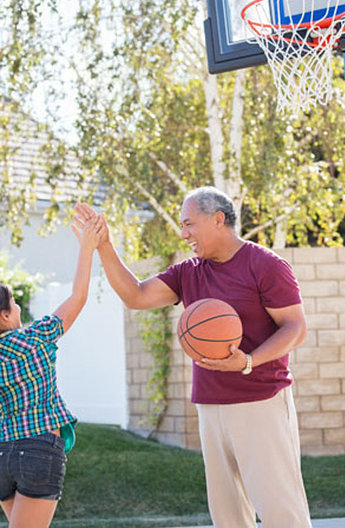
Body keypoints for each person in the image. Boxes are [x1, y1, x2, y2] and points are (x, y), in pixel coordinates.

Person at [75, 187, 311, 528]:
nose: (183, 233)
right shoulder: (188, 272)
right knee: (227, 515)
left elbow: (295, 328)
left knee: (281, 511)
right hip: (211, 404)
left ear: (218, 219)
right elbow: (136, 296)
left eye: (189, 224)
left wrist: (248, 360)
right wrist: (105, 247)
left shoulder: (266, 265)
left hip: (260, 401)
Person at [0, 215, 105, 528]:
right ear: (5, 315)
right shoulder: (36, 337)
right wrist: (87, 248)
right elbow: (79, 297)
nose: (19, 307)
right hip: (39, 452)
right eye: (15, 302)